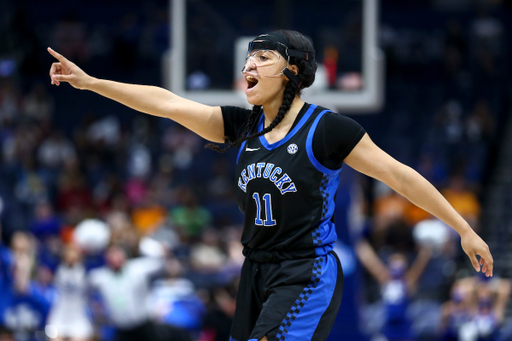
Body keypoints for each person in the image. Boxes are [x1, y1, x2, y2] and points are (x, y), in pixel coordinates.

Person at [48, 29, 493, 341]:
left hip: (306, 271)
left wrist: (464, 229)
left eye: (263, 58)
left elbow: (400, 175)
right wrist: (90, 83)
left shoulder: (327, 129)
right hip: (255, 270)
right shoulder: (243, 126)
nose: (249, 66)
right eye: (248, 59)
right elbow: (166, 103)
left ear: (293, 71)